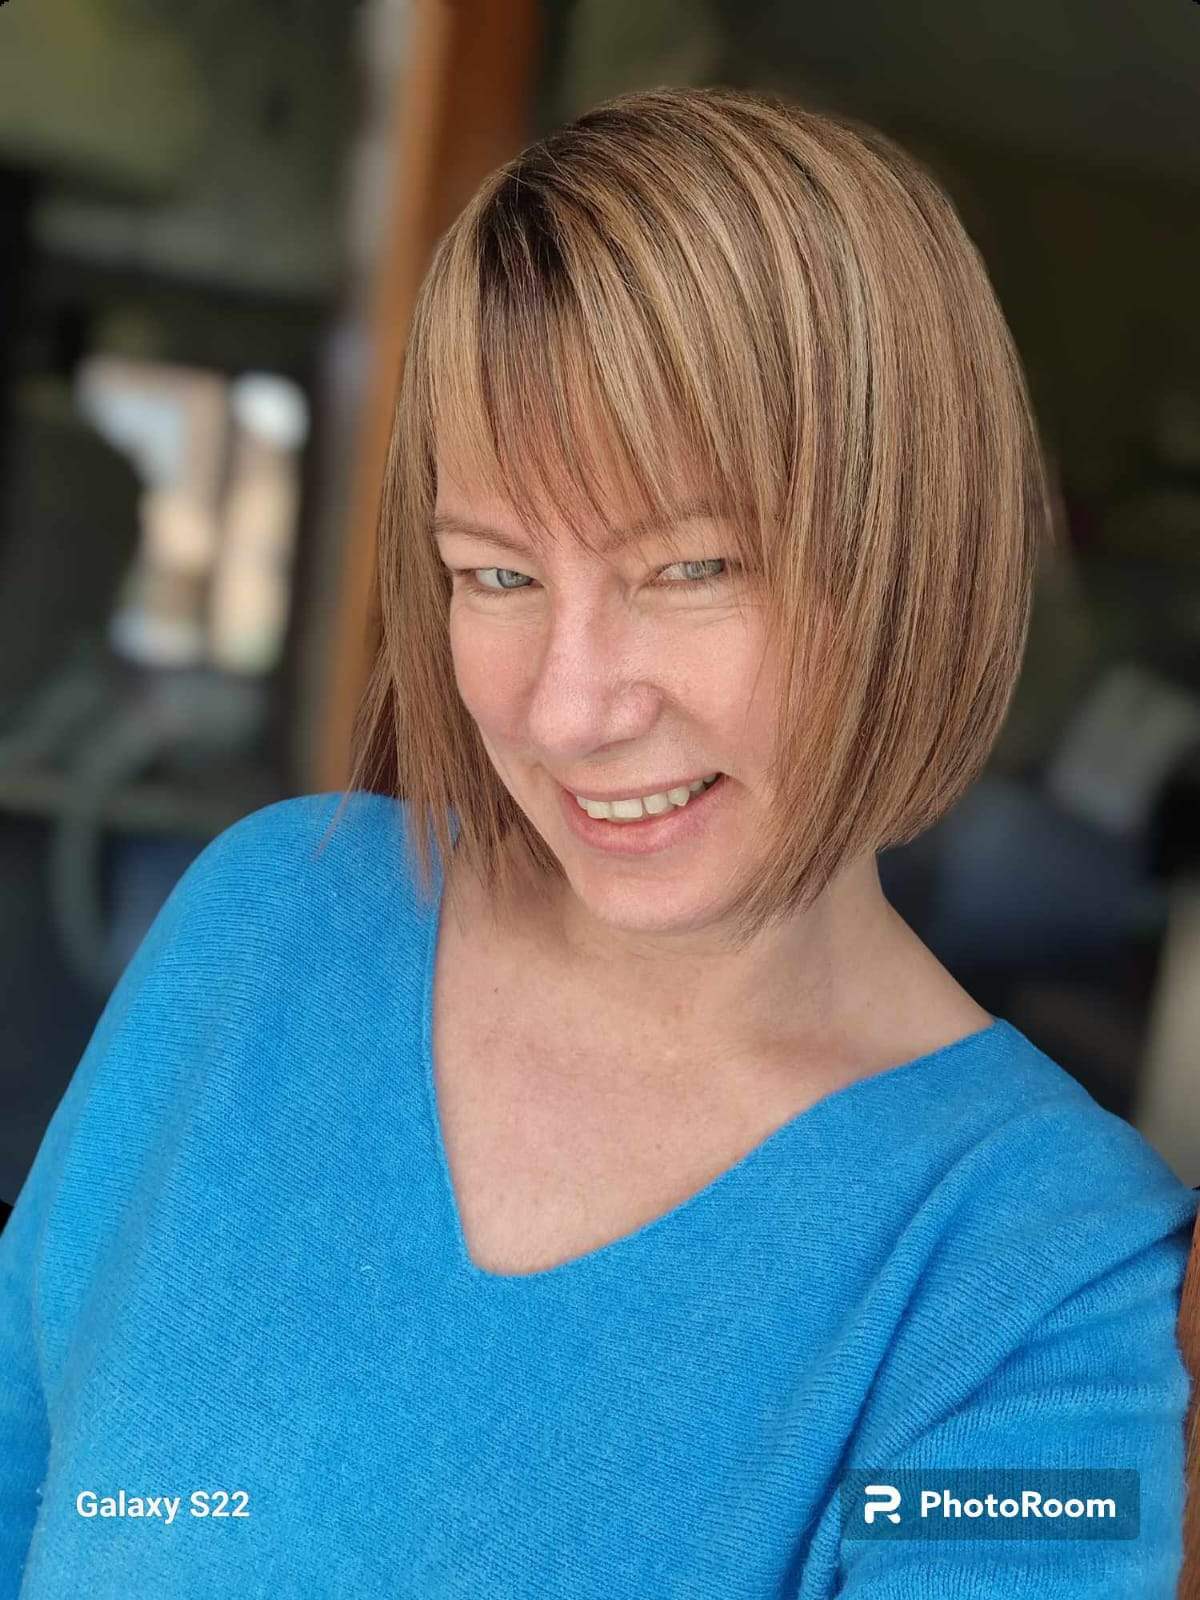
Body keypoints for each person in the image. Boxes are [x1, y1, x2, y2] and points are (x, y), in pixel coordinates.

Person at [1, 84, 1196, 1599]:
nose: (565, 710)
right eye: (495, 575)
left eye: (690, 568)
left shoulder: (1036, 1280)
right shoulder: (273, 917)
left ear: (909, 564)